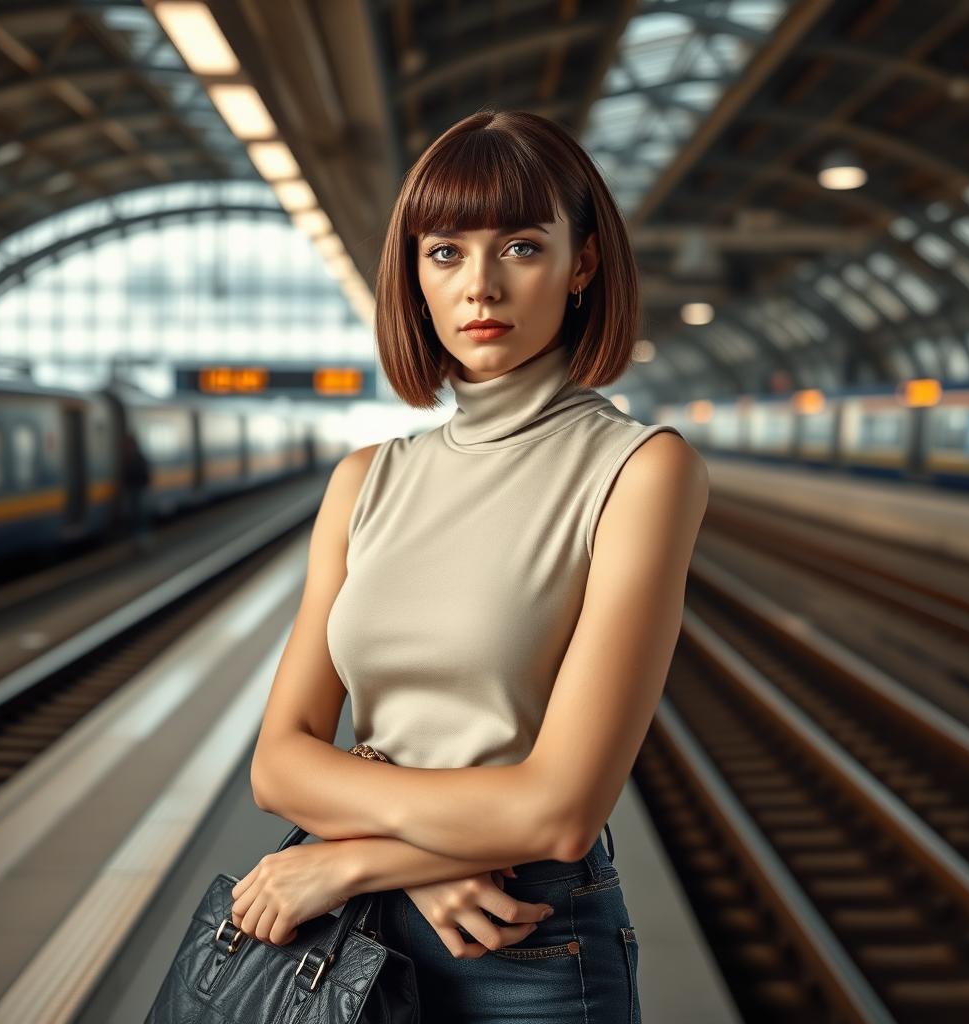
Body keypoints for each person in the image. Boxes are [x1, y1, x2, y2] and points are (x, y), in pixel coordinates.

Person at [231, 109, 709, 1022]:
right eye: (444, 251)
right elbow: (277, 765)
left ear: (583, 264)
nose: (480, 285)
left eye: (521, 246)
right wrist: (417, 863)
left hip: (522, 943)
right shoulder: (365, 480)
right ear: (413, 276)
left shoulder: (642, 470)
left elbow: (563, 810)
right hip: (347, 938)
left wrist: (360, 855)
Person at [120, 431, 152, 551]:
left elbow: (145, 475)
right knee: (135, 516)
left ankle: (143, 541)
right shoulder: (128, 458)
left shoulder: (137, 458)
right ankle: (137, 541)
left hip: (139, 491)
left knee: (141, 516)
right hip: (132, 491)